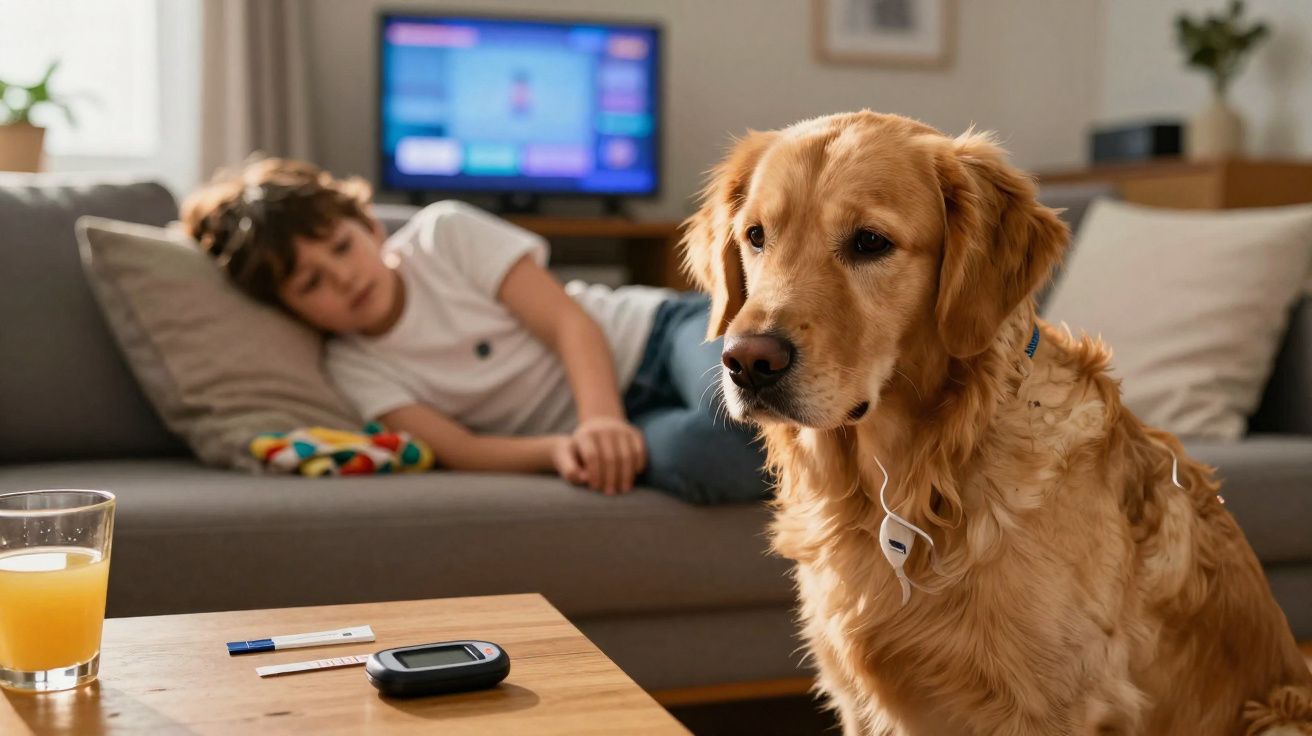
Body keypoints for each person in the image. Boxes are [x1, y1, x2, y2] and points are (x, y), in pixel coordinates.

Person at [181, 158, 768, 504]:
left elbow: (569, 323)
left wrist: (599, 420)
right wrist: (564, 449)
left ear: (369, 226)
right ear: (291, 310)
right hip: (620, 425)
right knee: (707, 453)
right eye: (312, 283)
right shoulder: (353, 367)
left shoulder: (444, 234)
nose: (344, 278)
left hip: (657, 335)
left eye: (341, 247)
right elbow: (460, 448)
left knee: (746, 402)